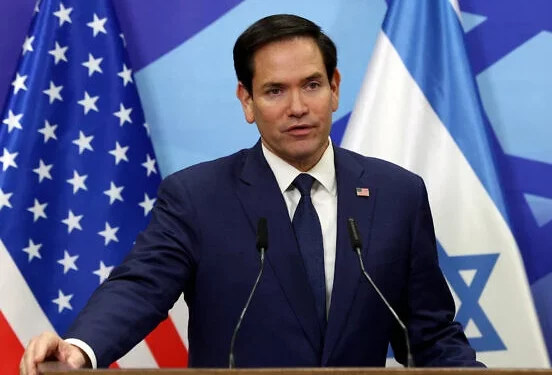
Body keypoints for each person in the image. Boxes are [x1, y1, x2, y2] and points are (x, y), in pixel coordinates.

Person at [20, 14, 483, 374]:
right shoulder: (197, 197)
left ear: (335, 88)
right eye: (275, 91)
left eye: (312, 85)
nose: (297, 107)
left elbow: (428, 333)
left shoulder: (395, 194)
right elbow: (141, 288)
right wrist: (80, 348)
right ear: (247, 101)